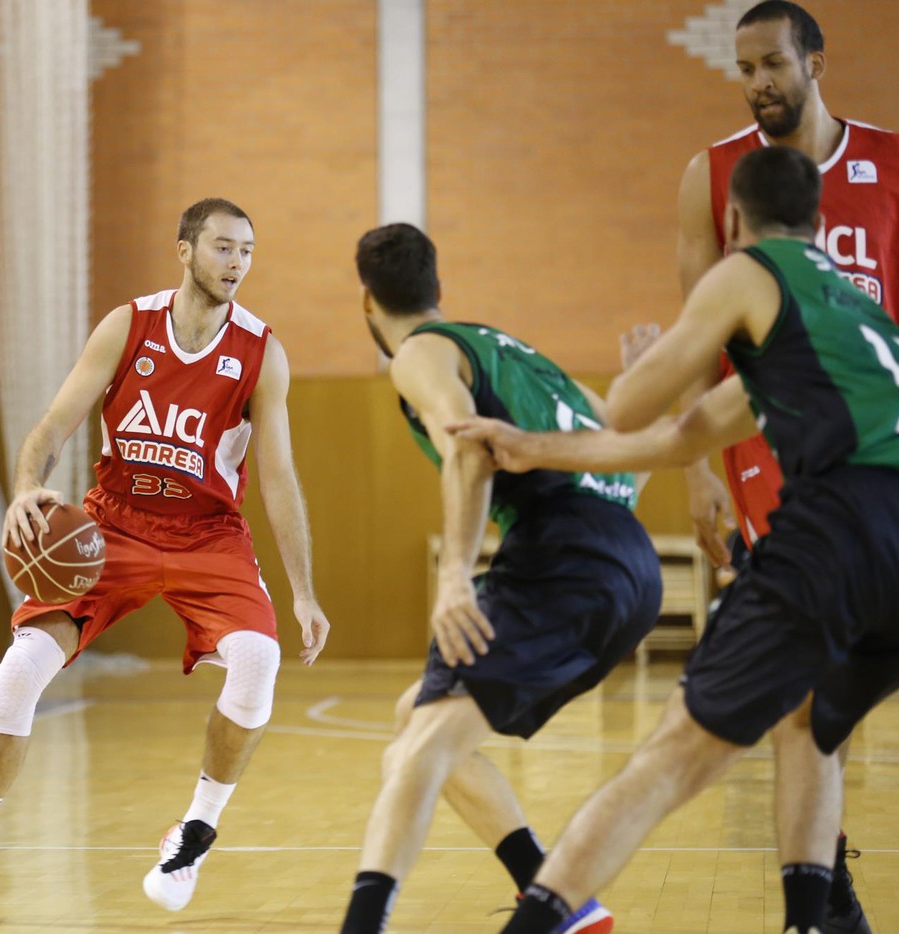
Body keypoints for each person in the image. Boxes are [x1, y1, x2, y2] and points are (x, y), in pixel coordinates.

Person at [453, 147, 899, 934]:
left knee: (670, 756)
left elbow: (628, 411)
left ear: (732, 223)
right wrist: (533, 447)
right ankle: (819, 923)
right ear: (822, 221)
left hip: (843, 527)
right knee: (811, 722)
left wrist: (637, 368)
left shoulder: (750, 268)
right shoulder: (849, 314)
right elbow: (679, 439)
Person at [0, 197, 332, 913]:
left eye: (247, 250)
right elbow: (56, 421)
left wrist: (305, 591)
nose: (236, 262)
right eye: (222, 247)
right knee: (21, 668)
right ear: (185, 251)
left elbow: (281, 480)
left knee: (260, 664)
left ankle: (194, 830)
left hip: (209, 534)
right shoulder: (129, 326)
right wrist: (26, 485)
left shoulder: (262, 352)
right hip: (116, 527)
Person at [337, 222, 662, 934]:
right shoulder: (524, 358)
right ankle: (558, 897)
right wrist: (640, 386)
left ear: (367, 302)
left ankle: (362, 925)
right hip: (631, 568)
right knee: (414, 722)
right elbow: (629, 464)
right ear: (439, 289)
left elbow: (469, 451)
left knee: (420, 748)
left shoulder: (420, 353)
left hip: (562, 559)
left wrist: (454, 573)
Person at [675, 6, 897, 927]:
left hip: (878, 446)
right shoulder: (713, 173)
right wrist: (697, 470)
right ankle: (822, 883)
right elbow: (698, 330)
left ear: (814, 60)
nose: (758, 82)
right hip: (768, 447)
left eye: (772, 63)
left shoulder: (888, 166)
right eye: (744, 69)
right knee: (806, 684)